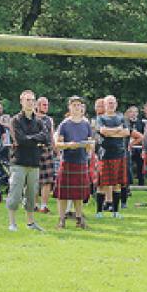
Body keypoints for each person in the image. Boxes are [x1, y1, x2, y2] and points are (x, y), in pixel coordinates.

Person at [8, 90, 48, 232]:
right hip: (19, 162)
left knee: (31, 194)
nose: (30, 103)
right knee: (15, 193)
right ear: (22, 102)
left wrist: (29, 138)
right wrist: (36, 139)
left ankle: (30, 223)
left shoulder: (39, 121)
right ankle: (12, 223)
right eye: (27, 100)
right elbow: (20, 140)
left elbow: (45, 137)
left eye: (32, 100)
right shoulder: (15, 120)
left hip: (34, 162)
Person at [54, 96, 94, 229]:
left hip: (81, 161)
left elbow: (90, 142)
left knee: (79, 194)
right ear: (69, 107)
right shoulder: (65, 124)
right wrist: (69, 145)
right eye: (74, 105)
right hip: (67, 161)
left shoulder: (86, 124)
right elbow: (58, 144)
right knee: (63, 195)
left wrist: (89, 145)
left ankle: (79, 219)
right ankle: (61, 220)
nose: (77, 107)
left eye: (79, 105)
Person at [96, 95, 131, 216]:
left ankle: (115, 212)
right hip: (105, 154)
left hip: (119, 153)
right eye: (109, 103)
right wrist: (117, 130)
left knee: (117, 184)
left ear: (116, 104)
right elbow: (103, 131)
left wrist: (110, 132)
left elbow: (126, 132)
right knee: (102, 184)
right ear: (104, 105)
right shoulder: (100, 118)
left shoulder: (121, 117)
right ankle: (99, 212)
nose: (111, 105)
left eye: (113, 103)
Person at [35, 96, 56, 214]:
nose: (46, 107)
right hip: (34, 150)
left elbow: (52, 136)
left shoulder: (49, 120)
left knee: (47, 180)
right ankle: (34, 204)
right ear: (37, 106)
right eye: (44, 105)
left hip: (47, 150)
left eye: (47, 104)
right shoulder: (32, 118)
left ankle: (44, 206)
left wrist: (56, 150)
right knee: (33, 179)